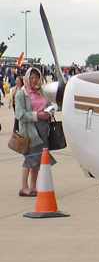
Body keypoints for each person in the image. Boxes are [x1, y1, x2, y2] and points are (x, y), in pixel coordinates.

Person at [14, 67, 54, 197]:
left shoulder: (42, 92)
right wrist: (37, 115)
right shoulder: (22, 94)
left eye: (37, 77)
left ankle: (33, 186)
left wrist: (49, 112)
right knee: (29, 157)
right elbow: (20, 114)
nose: (35, 80)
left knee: (38, 159)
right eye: (32, 77)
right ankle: (23, 187)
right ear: (27, 78)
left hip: (43, 128)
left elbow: (50, 105)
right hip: (30, 129)